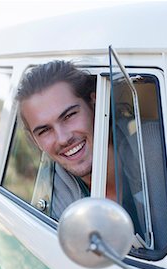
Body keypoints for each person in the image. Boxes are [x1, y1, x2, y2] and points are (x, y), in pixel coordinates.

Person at [15, 60, 116, 220]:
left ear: (95, 104)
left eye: (69, 116)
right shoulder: (52, 201)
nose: (63, 139)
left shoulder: (158, 154)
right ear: (35, 141)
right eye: (45, 130)